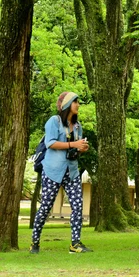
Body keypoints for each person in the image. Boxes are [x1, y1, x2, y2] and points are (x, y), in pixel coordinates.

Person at [30, 91, 92, 254]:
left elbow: (74, 149)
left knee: (78, 206)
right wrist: (74, 144)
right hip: (52, 170)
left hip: (71, 171)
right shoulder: (54, 121)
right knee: (45, 207)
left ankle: (75, 244)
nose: (78, 105)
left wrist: (81, 149)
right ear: (66, 105)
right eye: (75, 102)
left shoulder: (78, 126)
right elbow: (50, 143)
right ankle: (34, 243)